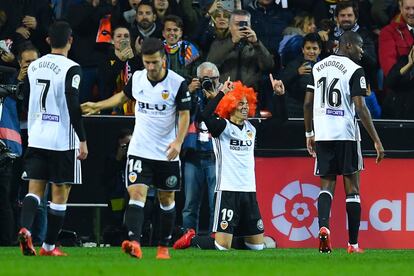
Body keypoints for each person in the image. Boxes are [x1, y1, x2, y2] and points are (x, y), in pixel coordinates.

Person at [81, 37, 191, 259]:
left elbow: (184, 115)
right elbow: (123, 96)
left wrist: (178, 141)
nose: (150, 67)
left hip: (166, 151)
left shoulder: (177, 83)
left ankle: (163, 247)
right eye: (147, 62)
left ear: (164, 60)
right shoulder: (138, 78)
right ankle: (134, 243)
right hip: (140, 149)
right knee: (137, 193)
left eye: (155, 63)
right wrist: (97, 105)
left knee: (166, 199)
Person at [174, 78, 285, 251]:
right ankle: (193, 239)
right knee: (221, 246)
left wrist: (279, 97)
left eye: (247, 103)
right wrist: (222, 94)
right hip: (227, 190)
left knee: (256, 247)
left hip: (249, 191)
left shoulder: (252, 128)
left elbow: (280, 122)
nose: (245, 107)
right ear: (230, 105)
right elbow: (204, 116)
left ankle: (233, 240)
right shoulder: (222, 126)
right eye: (240, 103)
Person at [303, 31, 385, 254]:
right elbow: (360, 107)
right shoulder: (355, 70)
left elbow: (308, 104)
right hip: (346, 134)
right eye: (359, 47)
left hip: (322, 133)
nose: (361, 52)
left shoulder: (318, 67)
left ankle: (323, 229)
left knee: (326, 184)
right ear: (348, 45)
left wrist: (309, 133)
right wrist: (376, 140)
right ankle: (353, 244)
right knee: (353, 188)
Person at [18, 21, 88, 256]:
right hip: (62, 140)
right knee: (60, 195)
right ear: (70, 41)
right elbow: (72, 101)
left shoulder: (34, 65)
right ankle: (48, 247)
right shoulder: (72, 68)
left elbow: (25, 96)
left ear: (48, 40)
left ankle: (26, 229)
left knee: (34, 191)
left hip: (37, 137)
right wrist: (83, 138)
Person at [181, 62, 220, 234]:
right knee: (190, 204)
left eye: (213, 79)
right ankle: (187, 239)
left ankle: (215, 239)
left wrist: (216, 99)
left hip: (215, 157)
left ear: (219, 79)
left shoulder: (226, 95)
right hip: (193, 155)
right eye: (205, 79)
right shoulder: (190, 94)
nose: (209, 82)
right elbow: (177, 112)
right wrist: (188, 92)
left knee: (215, 203)